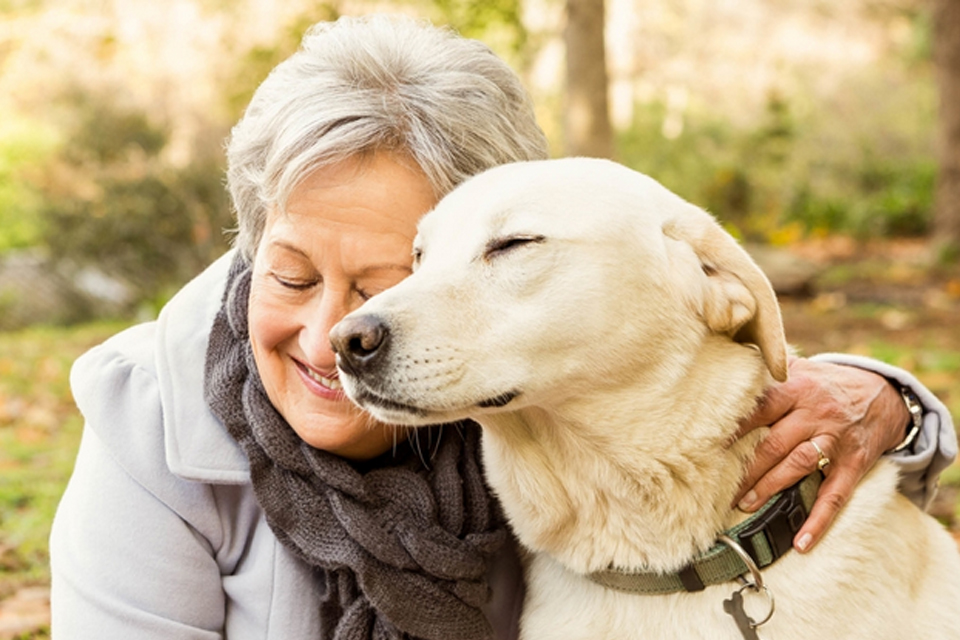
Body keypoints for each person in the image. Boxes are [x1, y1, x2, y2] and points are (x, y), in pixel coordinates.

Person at [49, 14, 956, 640]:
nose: (343, 330)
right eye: (288, 274)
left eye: (393, 275)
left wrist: (890, 399)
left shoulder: (524, 397)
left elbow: (644, 318)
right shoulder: (151, 416)